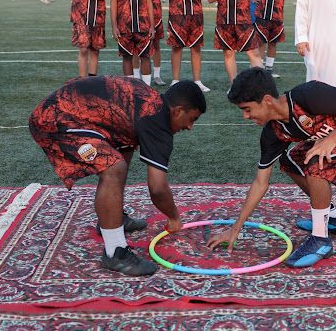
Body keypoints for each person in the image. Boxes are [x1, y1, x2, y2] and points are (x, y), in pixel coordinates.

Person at [207, 68, 336, 267]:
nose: (245, 116)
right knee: (291, 160)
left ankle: (320, 240)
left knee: (315, 163)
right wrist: (235, 228)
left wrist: (331, 139)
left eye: (247, 109)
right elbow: (260, 182)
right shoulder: (273, 132)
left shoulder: (309, 95)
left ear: (267, 101)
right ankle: (333, 218)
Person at [29, 77, 207, 276]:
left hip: (67, 113)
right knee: (114, 168)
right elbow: (157, 189)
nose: (190, 127)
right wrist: (174, 217)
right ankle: (115, 252)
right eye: (192, 119)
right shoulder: (157, 119)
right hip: (54, 120)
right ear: (178, 111)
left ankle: (113, 218)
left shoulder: (152, 102)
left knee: (125, 147)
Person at [109, 0, 155, 83]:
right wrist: (114, 26)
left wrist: (152, 26)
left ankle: (146, 89)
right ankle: (129, 89)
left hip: (143, 25)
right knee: (127, 57)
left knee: (145, 57)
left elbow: (149, 3)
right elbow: (113, 3)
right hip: (124, 26)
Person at [254, 0, 291, 79]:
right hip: (261, 15)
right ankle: (259, 70)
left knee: (273, 43)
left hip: (277, 16)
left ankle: (269, 70)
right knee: (261, 42)